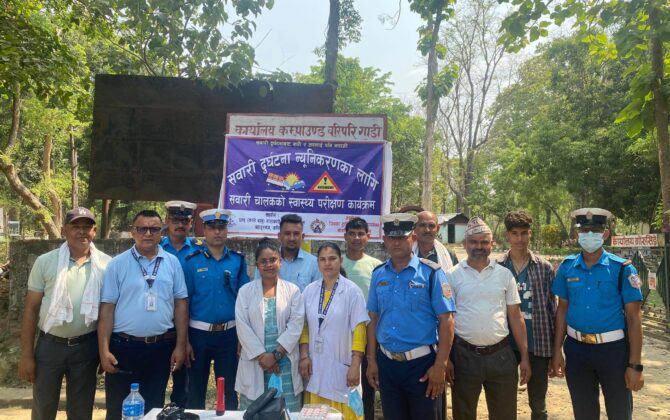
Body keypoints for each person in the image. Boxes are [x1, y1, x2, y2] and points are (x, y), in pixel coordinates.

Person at [18, 208, 111, 420]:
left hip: (86, 347)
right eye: (75, 226)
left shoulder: (106, 264)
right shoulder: (45, 262)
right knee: (44, 407)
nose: (82, 231)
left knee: (81, 410)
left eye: (87, 226)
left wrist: (104, 350)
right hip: (50, 346)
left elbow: (108, 312)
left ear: (94, 231)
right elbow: (31, 309)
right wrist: (26, 355)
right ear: (63, 230)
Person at [551, 208, 644, 420]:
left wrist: (635, 365)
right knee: (583, 413)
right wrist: (557, 351)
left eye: (595, 230)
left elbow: (634, 319)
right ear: (577, 234)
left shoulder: (622, 269)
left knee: (619, 413)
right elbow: (562, 310)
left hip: (614, 352)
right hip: (576, 350)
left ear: (605, 234)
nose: (589, 235)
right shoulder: (567, 268)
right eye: (585, 230)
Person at [98, 210, 188, 419]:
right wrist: (103, 351)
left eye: (154, 229)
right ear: (133, 232)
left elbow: (181, 305)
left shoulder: (172, 262)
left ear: (161, 233)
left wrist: (180, 346)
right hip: (123, 348)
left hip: (160, 348)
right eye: (142, 229)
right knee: (118, 410)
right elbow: (107, 309)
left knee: (153, 409)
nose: (148, 233)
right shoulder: (117, 264)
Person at [366, 213, 456, 420]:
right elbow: (373, 319)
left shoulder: (432, 273)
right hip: (387, 364)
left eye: (402, 237)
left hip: (422, 366)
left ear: (413, 238)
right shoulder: (378, 274)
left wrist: (440, 365)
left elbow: (447, 321)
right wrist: (372, 360)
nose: (396, 242)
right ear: (385, 240)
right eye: (392, 237)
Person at [446, 216, 530, 420]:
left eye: (484, 242)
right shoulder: (452, 275)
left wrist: (525, 357)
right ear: (465, 244)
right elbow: (446, 319)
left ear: (492, 244)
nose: (479, 247)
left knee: (504, 415)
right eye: (473, 242)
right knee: (463, 414)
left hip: (501, 356)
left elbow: (515, 317)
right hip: (464, 356)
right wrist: (446, 359)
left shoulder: (504, 275)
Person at [183, 208, 250, 409]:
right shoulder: (192, 261)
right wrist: (184, 340)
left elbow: (245, 301)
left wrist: (242, 338)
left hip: (229, 335)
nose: (217, 232)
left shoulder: (238, 260)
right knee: (195, 390)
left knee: (229, 391)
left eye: (221, 227)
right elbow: (184, 303)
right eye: (212, 227)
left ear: (227, 230)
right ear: (204, 230)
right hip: (198, 335)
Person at [300, 242, 370, 420]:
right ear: (318, 263)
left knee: (344, 412)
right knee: (316, 413)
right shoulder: (310, 291)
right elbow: (304, 326)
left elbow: (359, 331)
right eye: (323, 259)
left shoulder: (352, 292)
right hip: (315, 365)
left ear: (340, 261)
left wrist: (356, 364)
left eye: (332, 258)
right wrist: (304, 356)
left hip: (343, 365)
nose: (327, 263)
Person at [236, 239, 305, 412]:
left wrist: (275, 355)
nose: (269, 265)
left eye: (273, 260)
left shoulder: (293, 291)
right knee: (255, 412)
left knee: (287, 412)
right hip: (256, 361)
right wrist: (263, 357)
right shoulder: (245, 291)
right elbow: (243, 327)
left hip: (284, 362)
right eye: (263, 261)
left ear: (280, 262)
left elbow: (295, 326)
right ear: (257, 265)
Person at [499, 211, 556, 420]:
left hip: (538, 344)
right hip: (505, 345)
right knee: (504, 402)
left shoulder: (544, 268)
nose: (520, 239)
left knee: (538, 404)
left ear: (530, 234)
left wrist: (555, 351)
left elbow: (552, 310)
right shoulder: (497, 267)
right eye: (515, 233)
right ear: (507, 235)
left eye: (524, 233)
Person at [160, 199, 202, 407]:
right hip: (160, 324)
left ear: (190, 223)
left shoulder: (200, 251)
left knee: (184, 385)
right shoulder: (156, 247)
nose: (180, 225)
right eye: (175, 220)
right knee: (155, 380)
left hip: (188, 324)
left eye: (184, 221)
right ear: (167, 221)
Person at [341, 217, 381, 420]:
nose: (356, 238)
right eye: (352, 234)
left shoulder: (377, 266)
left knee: (366, 388)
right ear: (345, 236)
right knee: (340, 386)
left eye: (360, 234)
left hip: (368, 338)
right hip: (340, 337)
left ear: (368, 236)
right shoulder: (336, 262)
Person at [255, 213, 320, 291]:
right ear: (279, 236)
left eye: (296, 234)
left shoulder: (314, 264)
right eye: (287, 233)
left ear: (302, 237)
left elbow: (317, 293)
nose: (291, 238)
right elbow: (257, 289)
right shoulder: (266, 262)